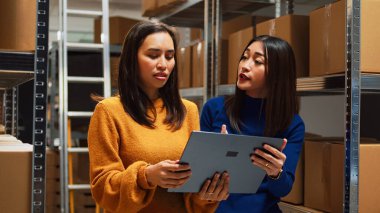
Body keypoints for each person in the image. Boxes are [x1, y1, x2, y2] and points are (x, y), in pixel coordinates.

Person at [87, 20, 229, 213]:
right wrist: (146, 176)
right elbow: (103, 188)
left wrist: (211, 183)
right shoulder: (109, 111)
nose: (163, 64)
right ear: (132, 58)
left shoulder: (188, 111)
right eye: (153, 55)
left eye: (169, 56)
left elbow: (192, 195)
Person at [200, 35, 305, 212]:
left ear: (278, 73)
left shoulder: (292, 124)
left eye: (257, 61)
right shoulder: (214, 108)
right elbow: (198, 177)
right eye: (244, 57)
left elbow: (283, 189)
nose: (245, 65)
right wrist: (215, 158)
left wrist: (275, 172)